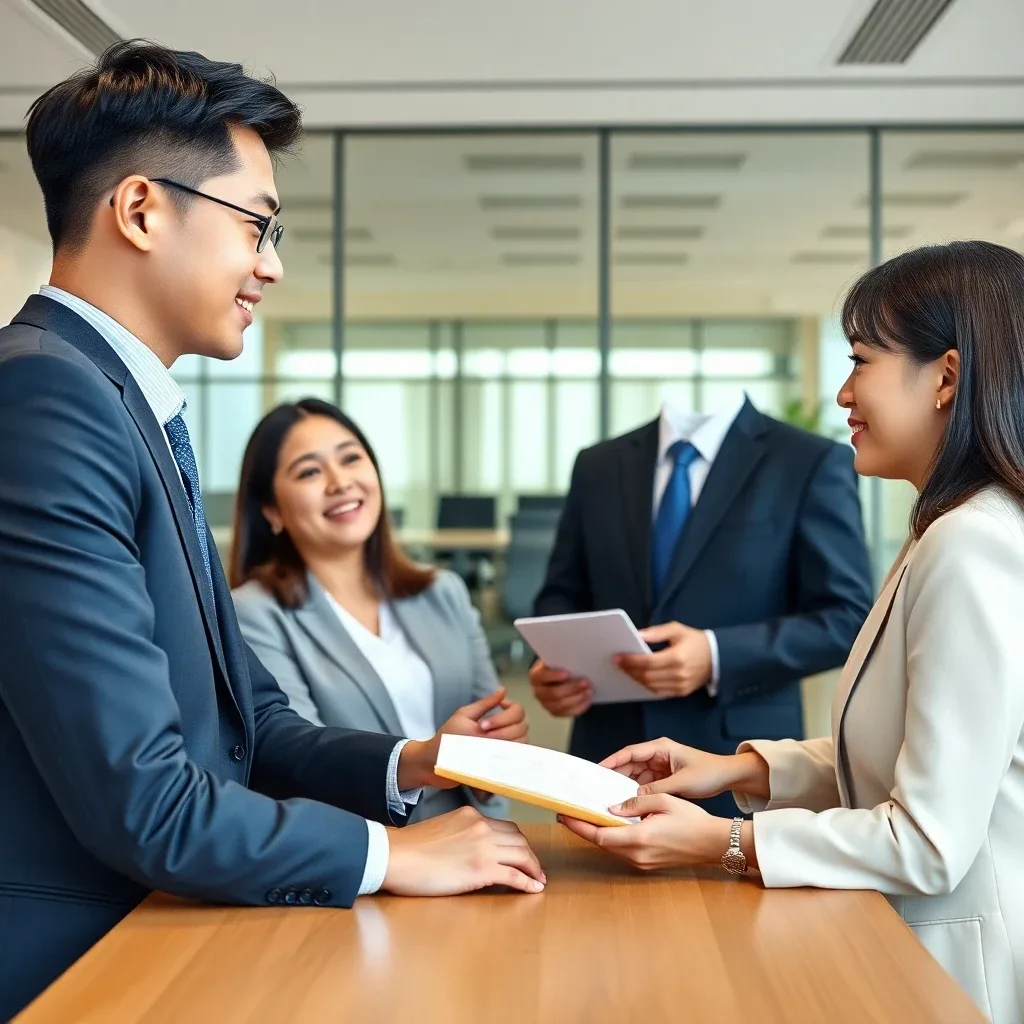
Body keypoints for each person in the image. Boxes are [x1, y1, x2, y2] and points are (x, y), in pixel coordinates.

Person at [0, 42, 543, 1022]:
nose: (272, 265)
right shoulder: (47, 398)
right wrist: (390, 855)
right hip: (79, 963)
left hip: (173, 930)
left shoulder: (125, 403)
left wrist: (411, 763)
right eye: (257, 224)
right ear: (140, 209)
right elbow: (144, 797)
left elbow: (248, 719)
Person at [561, 240, 1024, 1024]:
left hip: (958, 969)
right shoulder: (943, 530)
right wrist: (732, 767)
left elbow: (927, 843)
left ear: (945, 377)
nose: (843, 392)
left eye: (861, 361)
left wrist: (725, 842)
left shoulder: (969, 544)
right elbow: (903, 748)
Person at [531, 387, 874, 815]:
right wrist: (558, 665)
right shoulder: (599, 465)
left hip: (734, 763)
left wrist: (715, 655)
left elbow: (848, 618)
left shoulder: (808, 461)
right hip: (608, 754)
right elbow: (561, 592)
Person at [231, 399, 527, 821]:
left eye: (351, 458)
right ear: (271, 511)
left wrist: (497, 746)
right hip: (369, 858)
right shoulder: (255, 615)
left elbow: (490, 728)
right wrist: (427, 760)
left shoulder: (443, 591)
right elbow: (299, 766)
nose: (340, 482)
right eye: (310, 471)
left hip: (478, 841)